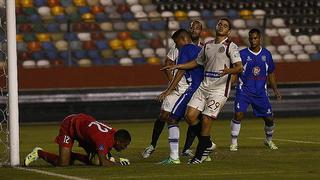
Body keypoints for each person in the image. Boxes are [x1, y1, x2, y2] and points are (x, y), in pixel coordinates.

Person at [162, 17, 243, 164]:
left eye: (225, 26)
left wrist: (228, 71)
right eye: (219, 24)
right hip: (204, 86)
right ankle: (207, 144)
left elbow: (239, 67)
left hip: (219, 90)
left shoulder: (231, 46)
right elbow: (196, 62)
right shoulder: (208, 45)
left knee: (206, 119)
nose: (221, 26)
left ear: (229, 31)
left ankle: (199, 155)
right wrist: (177, 66)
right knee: (190, 116)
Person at [142, 20, 204, 159]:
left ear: (201, 31)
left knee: (191, 118)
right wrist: (171, 82)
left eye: (197, 28)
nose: (194, 30)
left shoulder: (202, 48)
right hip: (178, 88)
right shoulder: (177, 48)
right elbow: (169, 63)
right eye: (192, 28)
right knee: (165, 115)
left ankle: (191, 149)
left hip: (191, 89)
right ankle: (153, 145)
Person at [229, 28, 282, 151]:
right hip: (244, 90)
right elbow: (236, 72)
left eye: (255, 38)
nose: (253, 40)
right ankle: (233, 142)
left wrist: (275, 90)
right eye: (251, 38)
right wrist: (229, 85)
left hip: (260, 93)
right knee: (238, 114)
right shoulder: (242, 54)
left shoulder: (267, 54)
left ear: (260, 39)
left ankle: (268, 140)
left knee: (269, 118)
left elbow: (271, 73)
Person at [157, 29, 204, 164]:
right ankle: (206, 145)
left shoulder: (186, 49)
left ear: (183, 39)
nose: (176, 46)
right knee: (194, 119)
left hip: (193, 88)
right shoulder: (197, 49)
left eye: (176, 42)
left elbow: (181, 71)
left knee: (172, 118)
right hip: (201, 88)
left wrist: (168, 90)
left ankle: (174, 157)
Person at [24, 113, 131, 166]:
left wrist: (110, 158)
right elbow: (104, 162)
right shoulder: (102, 139)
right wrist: (118, 164)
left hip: (85, 130)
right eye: (124, 145)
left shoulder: (114, 134)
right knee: (63, 163)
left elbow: (103, 151)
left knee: (94, 162)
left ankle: (72, 156)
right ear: (118, 142)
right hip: (70, 126)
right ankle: (38, 152)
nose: (125, 148)